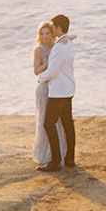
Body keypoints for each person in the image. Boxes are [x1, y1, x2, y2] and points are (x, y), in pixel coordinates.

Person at [36, 14, 76, 172]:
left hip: (58, 91)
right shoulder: (69, 43)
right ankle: (70, 159)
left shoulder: (60, 46)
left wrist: (41, 77)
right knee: (67, 122)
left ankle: (56, 161)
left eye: (53, 26)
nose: (52, 29)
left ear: (59, 28)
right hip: (69, 88)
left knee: (48, 123)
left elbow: (52, 71)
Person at [31, 21, 67, 165]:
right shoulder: (38, 50)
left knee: (56, 121)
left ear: (52, 34)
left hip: (54, 86)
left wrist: (68, 36)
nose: (45, 36)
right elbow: (36, 71)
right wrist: (49, 61)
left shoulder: (56, 45)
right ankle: (46, 154)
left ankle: (59, 153)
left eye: (47, 33)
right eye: (42, 34)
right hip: (43, 86)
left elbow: (66, 38)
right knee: (45, 120)